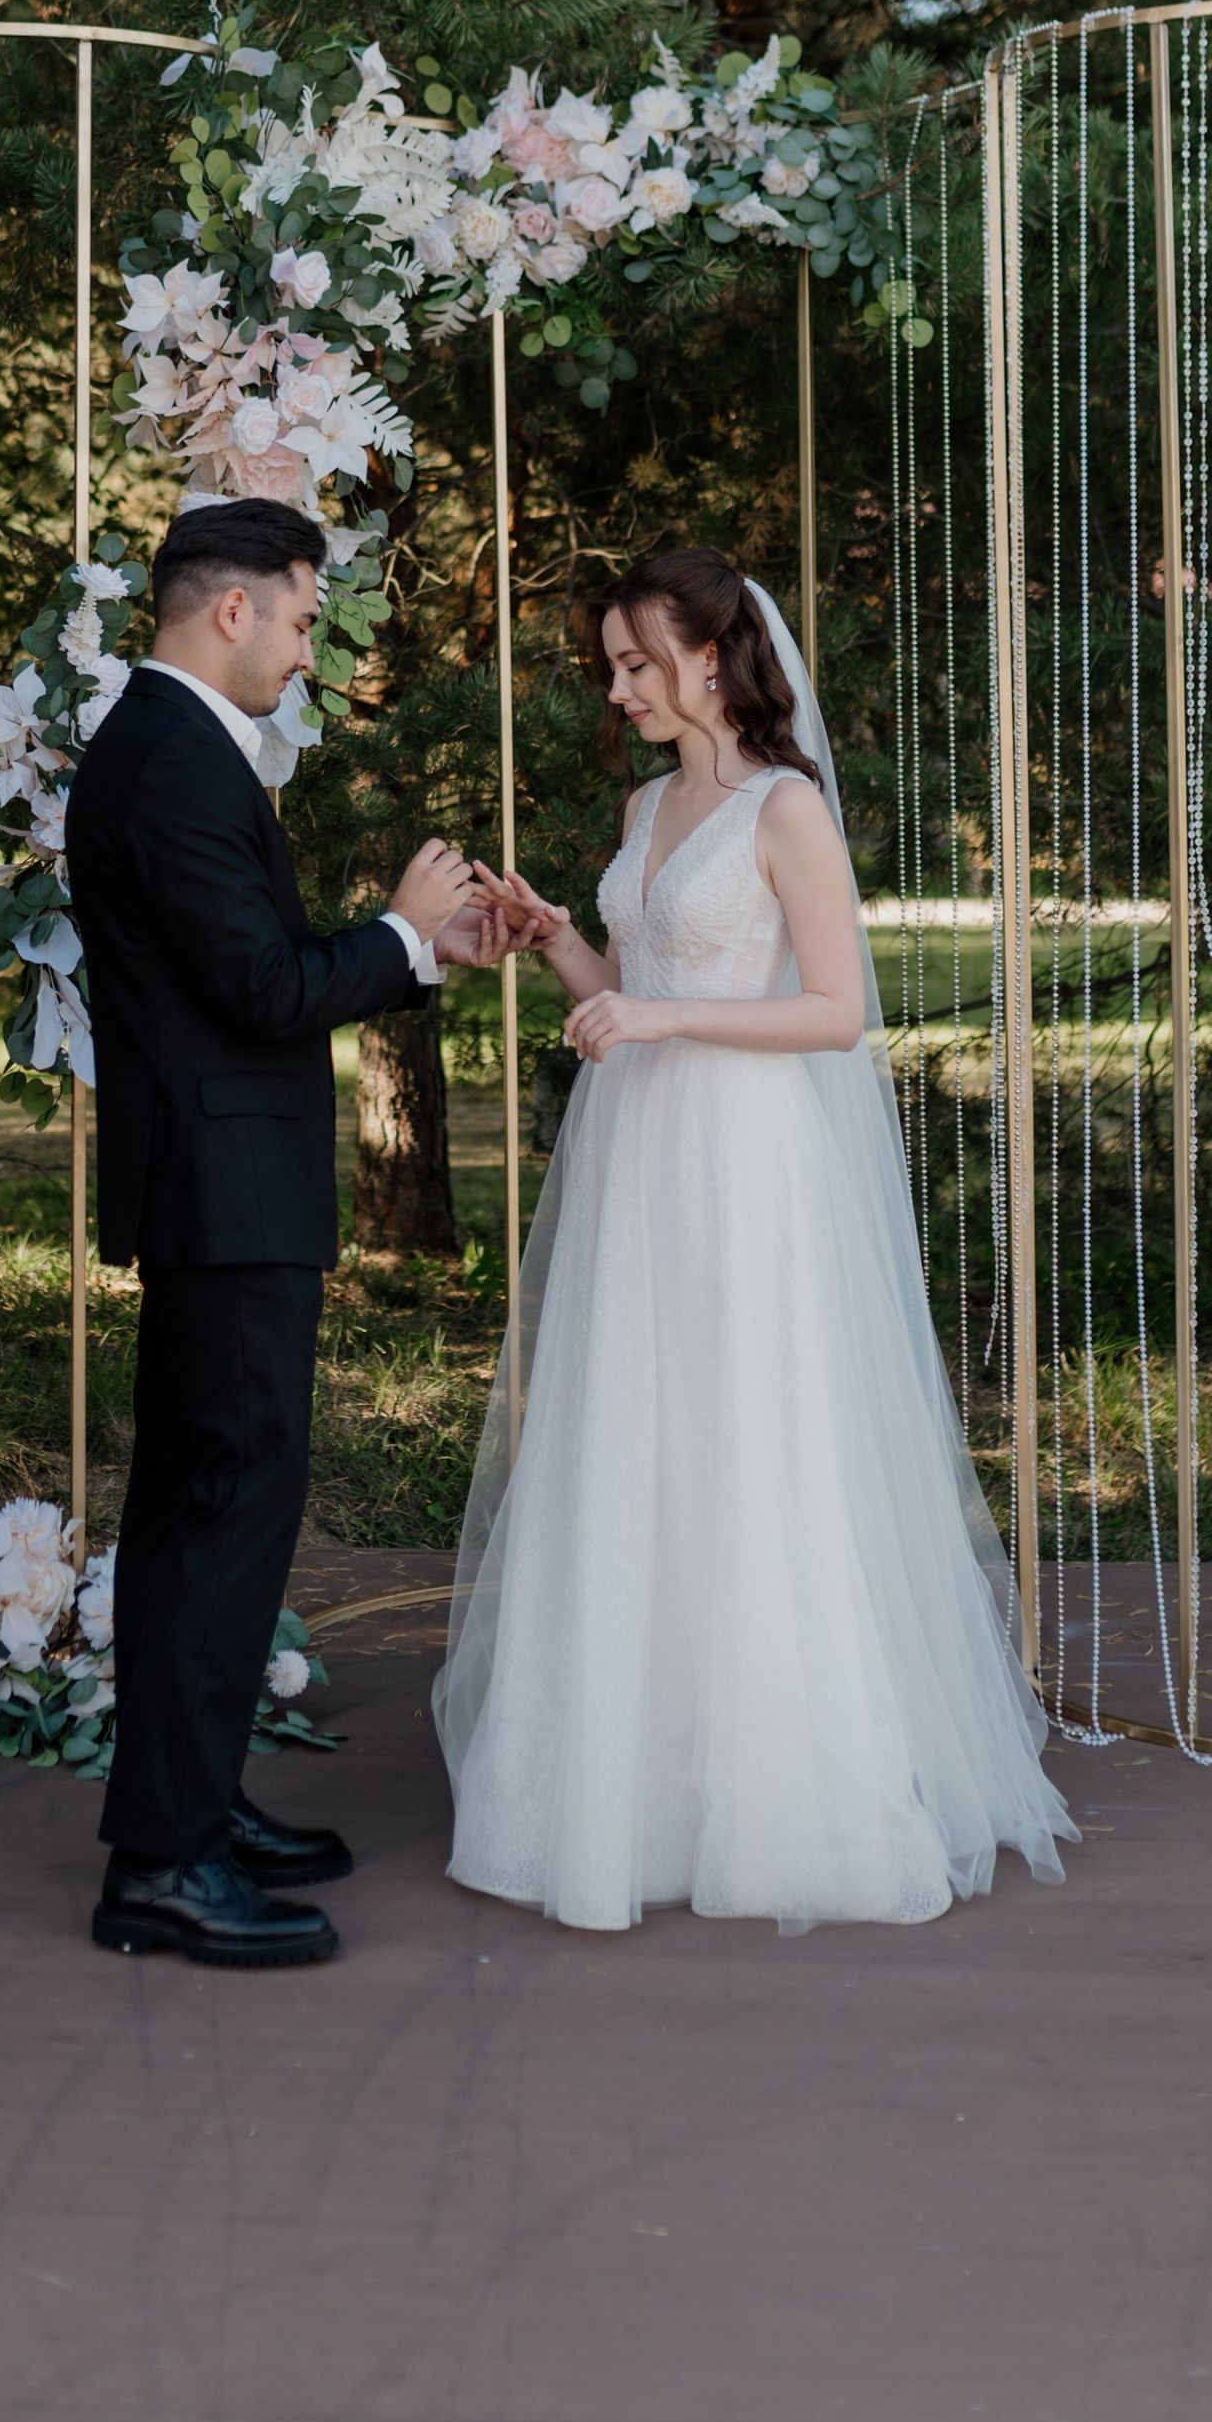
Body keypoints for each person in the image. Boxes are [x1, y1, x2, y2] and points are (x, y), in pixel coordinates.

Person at [436, 545, 1076, 1933]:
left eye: (636, 664)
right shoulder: (645, 803)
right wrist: (558, 941)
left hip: (747, 1163)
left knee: (748, 1440)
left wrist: (659, 1018)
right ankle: (635, 1788)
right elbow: (633, 988)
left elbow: (836, 1011)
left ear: (712, 660)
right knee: (638, 1438)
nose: (618, 690)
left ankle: (790, 1789)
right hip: (644, 1160)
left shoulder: (786, 812)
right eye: (610, 666)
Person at [67, 497, 497, 1970]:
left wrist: (411, 954)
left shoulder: (166, 748)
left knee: (207, 1511)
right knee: (223, 1512)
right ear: (232, 608)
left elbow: (236, 981)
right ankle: (166, 1869)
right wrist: (396, 930)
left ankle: (190, 1811)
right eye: (309, 621)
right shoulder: (170, 760)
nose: (314, 653)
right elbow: (259, 986)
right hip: (222, 1200)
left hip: (219, 1192)